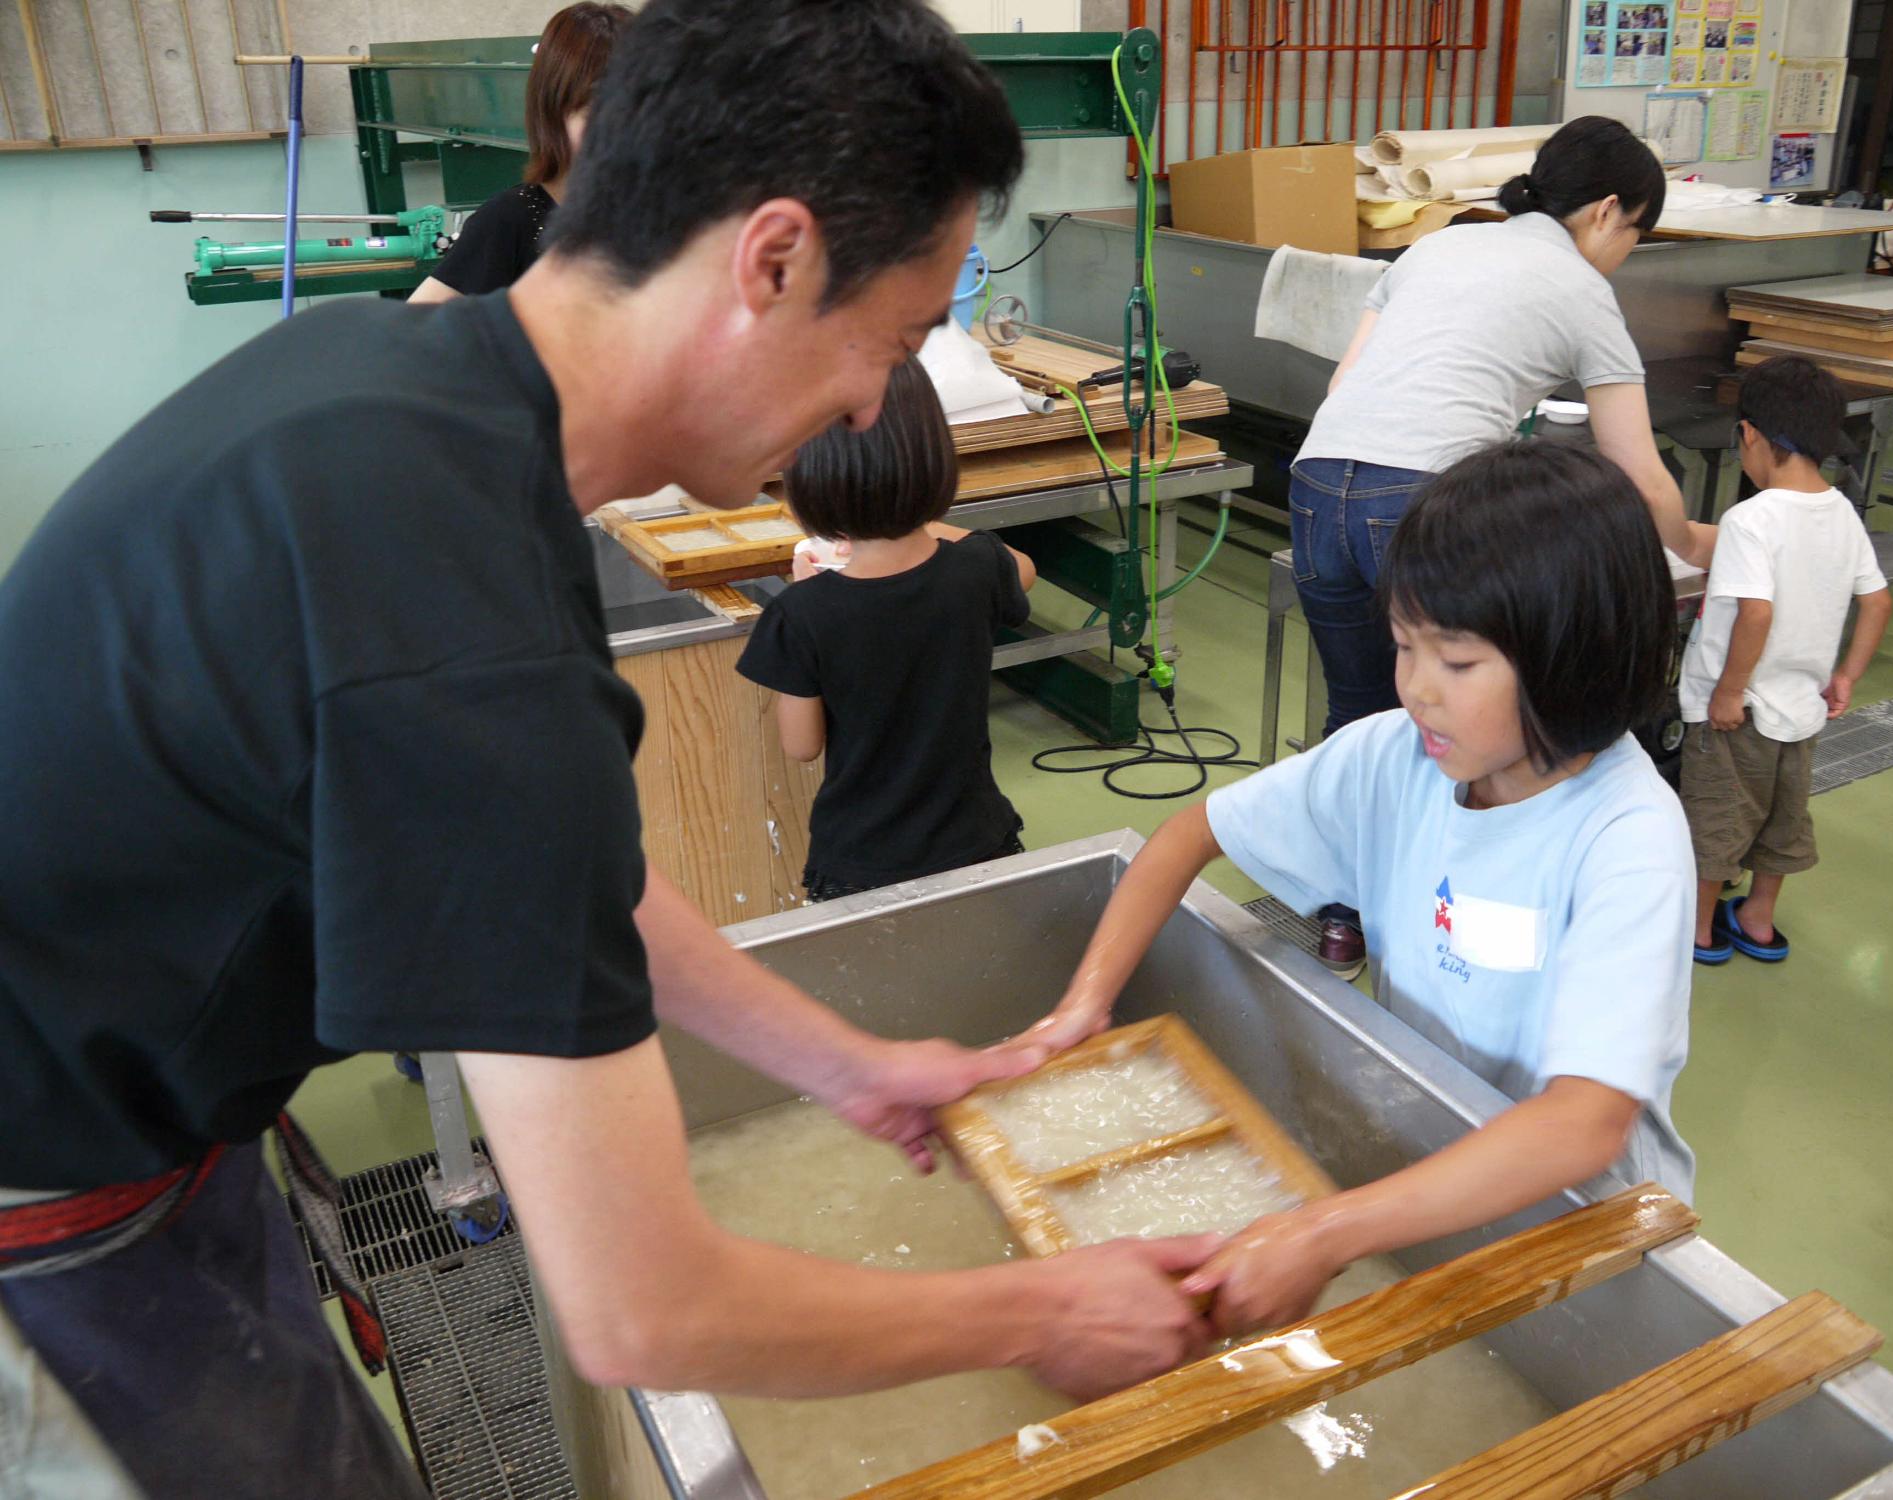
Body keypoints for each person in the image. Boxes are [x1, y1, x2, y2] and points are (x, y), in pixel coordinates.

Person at [0, 6, 1221, 1496]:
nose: (870, 404)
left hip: (130, 1112)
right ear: (772, 260)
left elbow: (573, 876)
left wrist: (844, 1064)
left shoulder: (402, 383)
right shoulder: (459, 634)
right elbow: (645, 1311)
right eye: (895, 342)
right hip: (49, 1213)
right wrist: (1040, 1311)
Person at [1027, 442, 1696, 1336]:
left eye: (1457, 663)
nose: (1417, 689)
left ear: (1572, 657)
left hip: (1582, 1218)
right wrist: (1083, 1008)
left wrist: (1324, 1231)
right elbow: (1190, 835)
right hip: (1431, 1164)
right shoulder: (1393, 759)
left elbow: (1583, 1125)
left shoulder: (1626, 840)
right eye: (1404, 646)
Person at [1289, 115, 1713, 976]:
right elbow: (1638, 472)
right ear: (1607, 211)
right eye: (1635, 234)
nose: (1625, 252)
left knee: (1357, 714)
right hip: (1415, 502)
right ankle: (1432, 918)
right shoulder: (1582, 291)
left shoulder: (1439, 245)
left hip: (1314, 483)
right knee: (1448, 724)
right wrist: (1693, 544)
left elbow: (1343, 381)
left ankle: (1340, 918)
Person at [738, 359, 1038, 901]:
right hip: (977, 838)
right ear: (933, 457)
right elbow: (1022, 568)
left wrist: (808, 595)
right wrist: (918, 520)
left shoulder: (802, 613)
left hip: (863, 859)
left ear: (810, 480)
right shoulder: (977, 569)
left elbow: (801, 746)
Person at [1678, 356, 1892, 966]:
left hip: (1738, 712)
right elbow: (1878, 601)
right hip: (1802, 707)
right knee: (1783, 817)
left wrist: (1728, 691)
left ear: (1749, 434)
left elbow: (1756, 614)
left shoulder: (1750, 519)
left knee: (1717, 819)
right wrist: (1846, 676)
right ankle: (1759, 918)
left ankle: (1697, 930)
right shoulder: (1841, 511)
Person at [405, 2, 631, 303]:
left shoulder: (664, 215)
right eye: (594, 111)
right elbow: (414, 324)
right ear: (553, 112)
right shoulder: (510, 220)